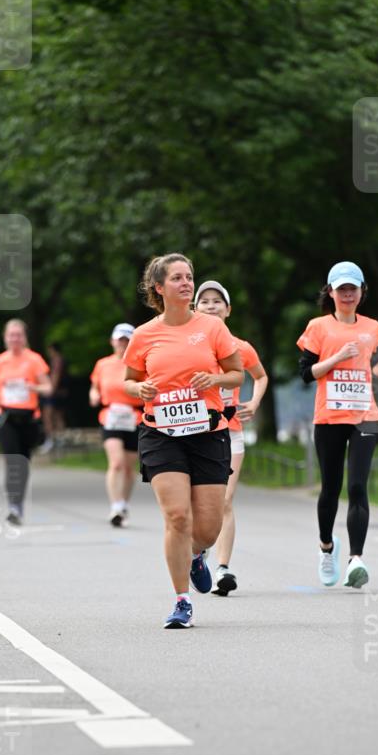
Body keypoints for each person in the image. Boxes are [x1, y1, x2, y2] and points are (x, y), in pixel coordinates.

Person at [123, 253, 243, 629]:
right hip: (160, 433)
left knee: (206, 528)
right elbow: (127, 379)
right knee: (177, 517)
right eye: (177, 278)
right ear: (159, 288)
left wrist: (215, 381)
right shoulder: (144, 335)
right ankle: (181, 601)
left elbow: (237, 374)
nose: (187, 283)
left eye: (189, 277)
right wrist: (138, 387)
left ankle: (195, 555)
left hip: (207, 433)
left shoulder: (211, 328)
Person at [297, 261, 378, 588]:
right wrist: (337, 357)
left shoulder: (372, 327)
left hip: (364, 415)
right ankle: (327, 548)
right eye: (341, 289)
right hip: (329, 416)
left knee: (357, 486)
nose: (347, 294)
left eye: (352, 289)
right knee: (331, 487)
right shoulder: (318, 327)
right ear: (330, 292)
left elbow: (372, 357)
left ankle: (356, 559)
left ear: (361, 292)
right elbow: (306, 373)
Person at [193, 280, 268, 596]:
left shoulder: (241, 347)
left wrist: (253, 401)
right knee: (198, 503)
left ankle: (223, 568)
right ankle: (199, 551)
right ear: (195, 309)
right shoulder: (191, 347)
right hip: (195, 433)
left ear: (228, 309)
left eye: (217, 301)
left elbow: (260, 376)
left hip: (231, 431)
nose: (211, 306)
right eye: (205, 302)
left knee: (224, 499)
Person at [0, 320, 51, 525]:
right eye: (11, 335)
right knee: (12, 461)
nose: (14, 338)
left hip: (28, 418)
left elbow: (47, 387)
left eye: (18, 335)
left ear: (24, 337)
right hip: (6, 417)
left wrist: (33, 388)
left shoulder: (34, 359)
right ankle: (13, 506)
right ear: (5, 337)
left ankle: (19, 501)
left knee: (23, 462)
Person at [89, 323, 143, 526]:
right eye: (119, 340)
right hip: (110, 416)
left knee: (129, 468)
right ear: (112, 341)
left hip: (134, 417)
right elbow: (94, 387)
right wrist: (94, 396)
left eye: (127, 341)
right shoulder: (102, 364)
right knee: (117, 462)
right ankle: (115, 505)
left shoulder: (139, 364)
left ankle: (123, 504)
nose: (122, 344)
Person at [39, 342, 69, 454]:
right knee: (58, 416)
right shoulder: (61, 359)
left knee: (48, 416)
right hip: (61, 392)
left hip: (54, 392)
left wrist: (50, 389)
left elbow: (55, 375)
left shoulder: (57, 360)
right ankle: (60, 439)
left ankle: (50, 441)